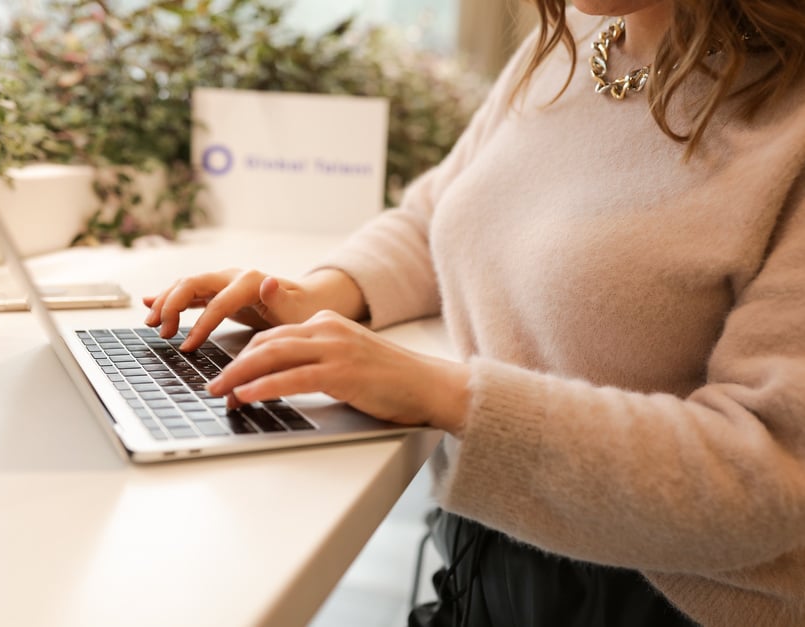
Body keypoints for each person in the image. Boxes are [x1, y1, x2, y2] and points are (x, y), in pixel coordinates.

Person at [144, 0, 805, 624]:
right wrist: (317, 294)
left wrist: (444, 394)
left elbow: (766, 476)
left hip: (669, 600)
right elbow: (443, 206)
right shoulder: (573, 45)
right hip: (488, 551)